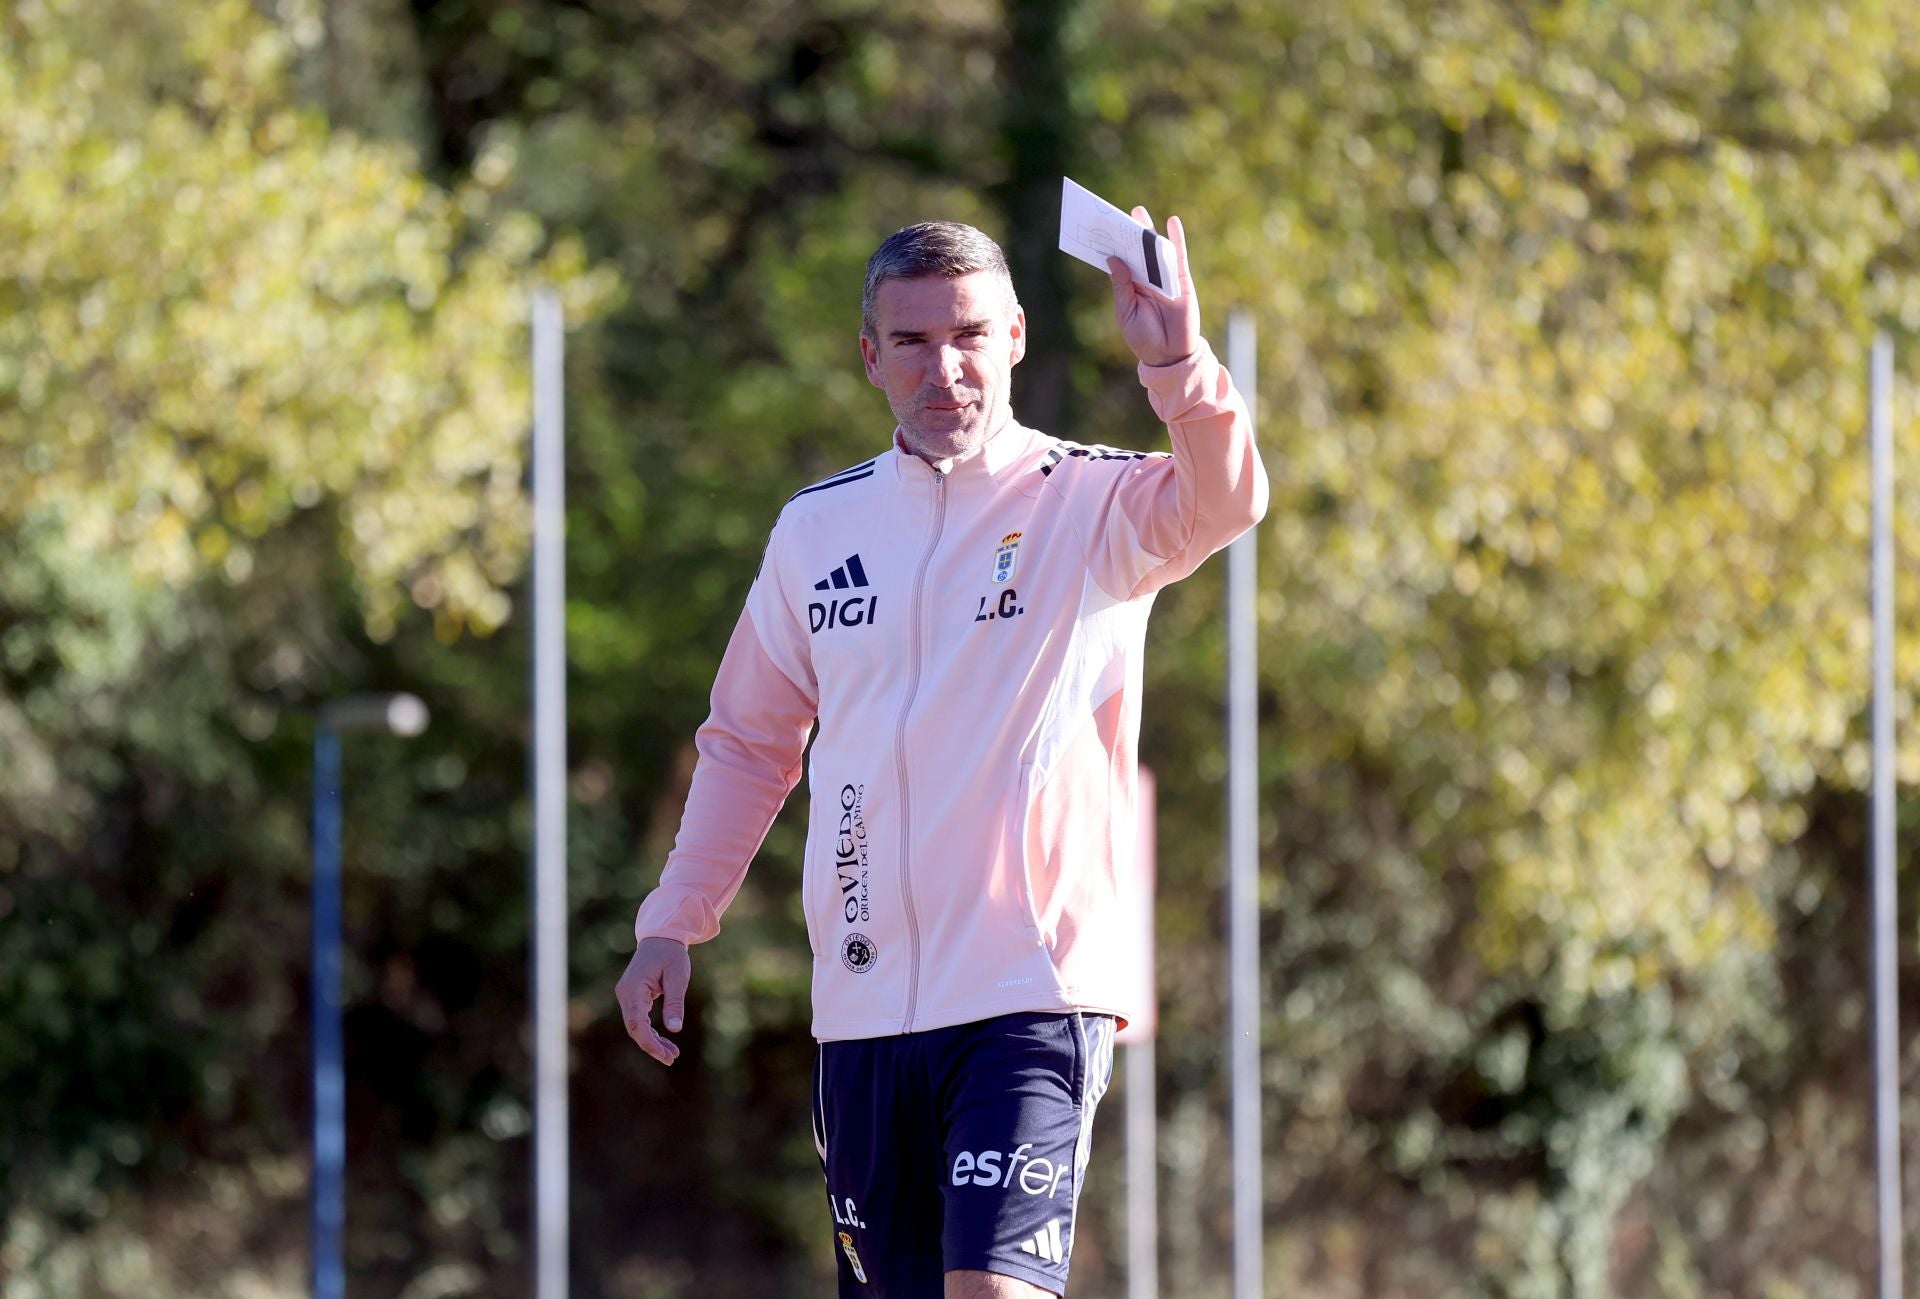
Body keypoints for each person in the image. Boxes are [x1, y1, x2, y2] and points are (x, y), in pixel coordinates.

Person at [616, 208, 1266, 1298]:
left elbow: (1226, 498)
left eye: (968, 334)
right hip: (864, 1010)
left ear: (1014, 336)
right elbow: (747, 741)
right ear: (871, 357)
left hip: (1030, 995)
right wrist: (675, 918)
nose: (944, 367)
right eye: (912, 342)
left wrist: (1179, 367)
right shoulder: (816, 532)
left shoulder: (1090, 502)